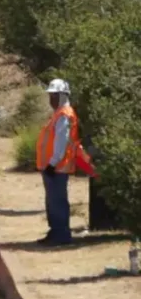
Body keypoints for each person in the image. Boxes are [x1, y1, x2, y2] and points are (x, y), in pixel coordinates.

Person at [35, 78, 93, 246]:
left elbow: (61, 142)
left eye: (54, 96)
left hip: (57, 167)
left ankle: (61, 235)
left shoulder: (64, 115)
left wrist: (52, 164)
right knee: (52, 201)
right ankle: (55, 232)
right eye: (50, 96)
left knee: (57, 201)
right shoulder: (59, 114)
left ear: (62, 96)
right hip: (52, 166)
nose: (51, 99)